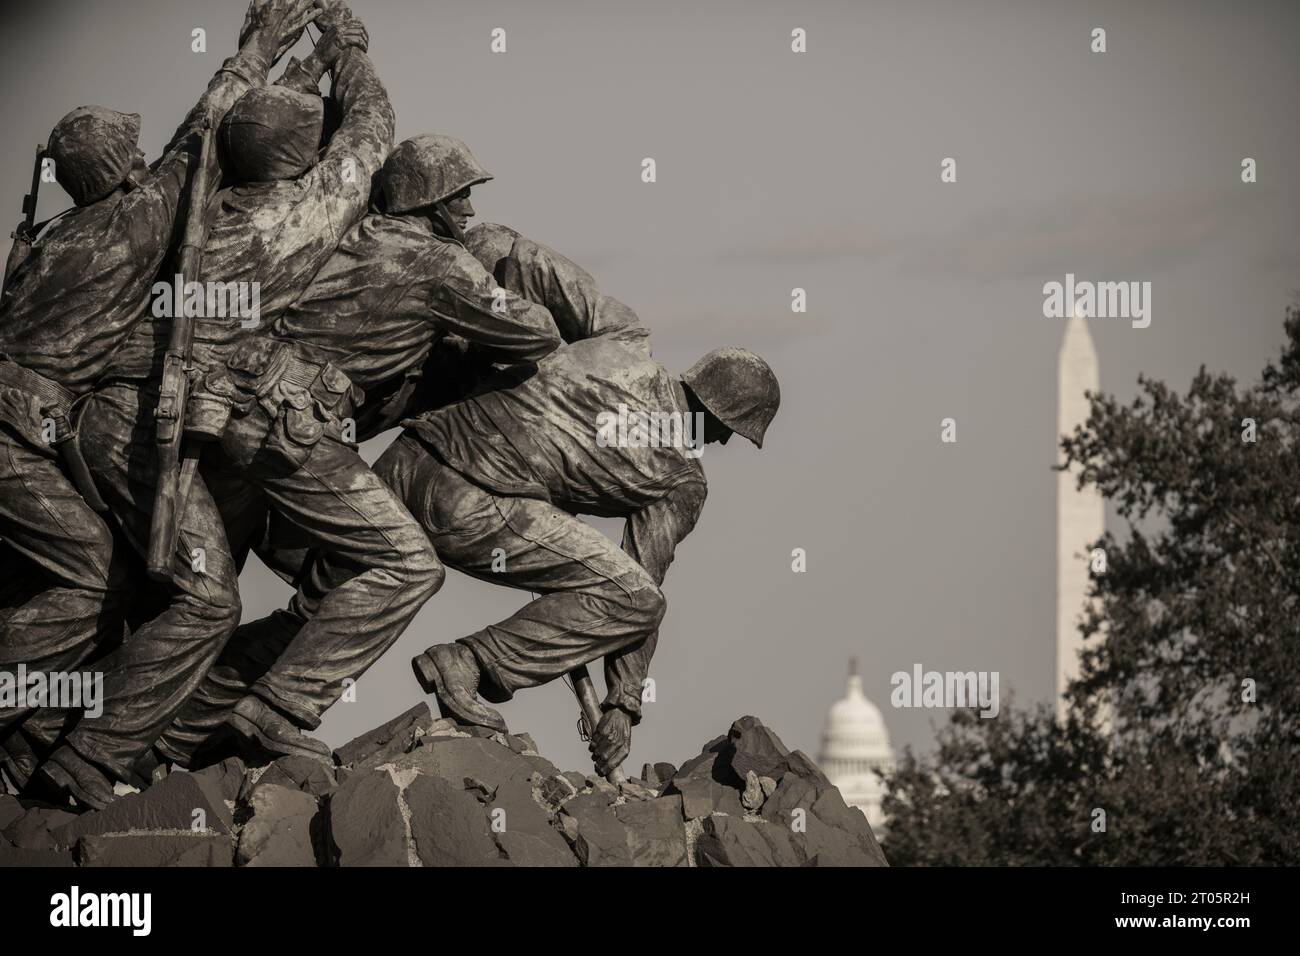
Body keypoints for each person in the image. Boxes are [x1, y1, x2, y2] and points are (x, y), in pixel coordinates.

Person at [0, 0, 318, 806]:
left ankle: (46, 732)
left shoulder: (54, 241)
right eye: (134, 152)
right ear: (123, 170)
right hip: (14, 434)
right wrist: (260, 47)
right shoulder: (130, 223)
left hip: (32, 428)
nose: (149, 159)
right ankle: (76, 746)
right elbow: (201, 134)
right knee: (112, 583)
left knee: (104, 577)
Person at [157, 136, 564, 765]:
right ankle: (278, 708)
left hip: (233, 410)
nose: (469, 211)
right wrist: (499, 282)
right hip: (290, 426)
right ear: (429, 201)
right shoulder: (441, 264)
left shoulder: (352, 234)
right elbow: (534, 333)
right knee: (409, 567)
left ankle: (175, 736)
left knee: (311, 586)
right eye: (460, 197)